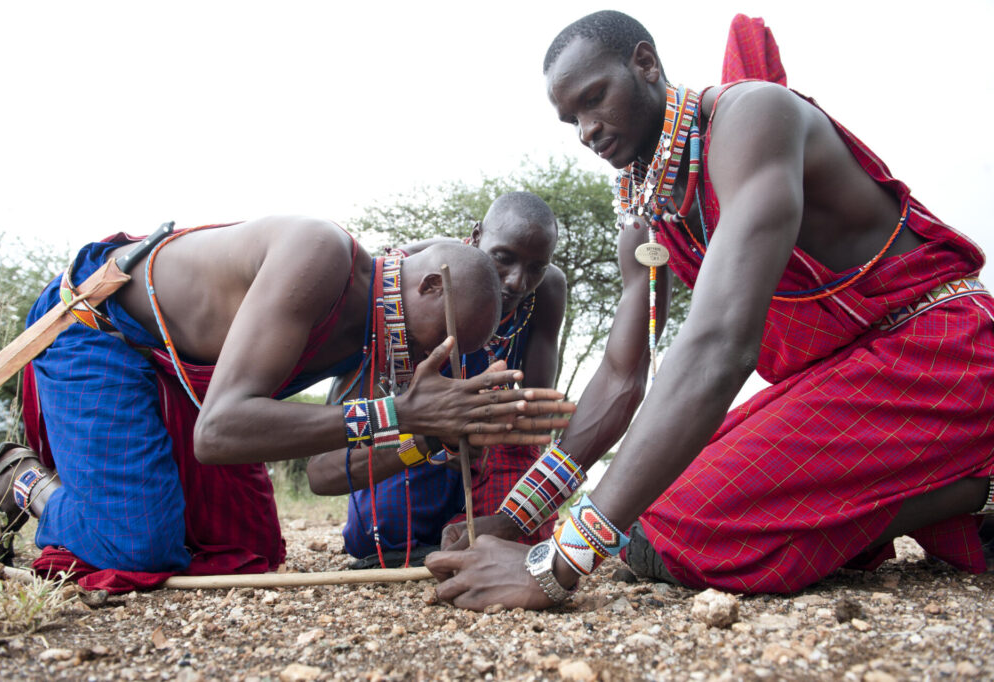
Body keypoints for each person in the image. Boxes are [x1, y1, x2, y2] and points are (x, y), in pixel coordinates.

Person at [426, 10, 994, 610]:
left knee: (684, 528)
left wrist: (555, 565)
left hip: (944, 352)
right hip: (848, 379)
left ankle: (973, 484)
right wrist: (515, 520)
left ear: (645, 64)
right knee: (651, 516)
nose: (587, 131)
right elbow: (622, 379)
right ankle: (927, 488)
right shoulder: (645, 216)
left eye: (595, 100)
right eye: (572, 121)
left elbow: (721, 346)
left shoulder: (754, 118)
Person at [0, 216, 573, 592]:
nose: (424, 358)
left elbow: (324, 470)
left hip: (188, 379)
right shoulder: (320, 256)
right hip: (102, 335)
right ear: (430, 285)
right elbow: (220, 433)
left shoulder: (378, 328)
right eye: (428, 341)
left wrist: (426, 438)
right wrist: (401, 416)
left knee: (247, 554)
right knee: (138, 548)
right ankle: (20, 480)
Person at [306, 192, 568, 567]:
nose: (516, 282)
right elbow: (322, 472)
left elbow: (534, 422)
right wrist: (429, 437)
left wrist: (483, 431)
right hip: (412, 446)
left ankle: (478, 536)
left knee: (518, 521)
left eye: (535, 268)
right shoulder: (403, 286)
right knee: (383, 532)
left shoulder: (545, 292)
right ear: (476, 237)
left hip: (483, 448)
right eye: (503, 259)